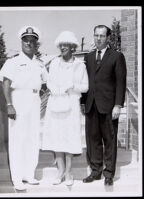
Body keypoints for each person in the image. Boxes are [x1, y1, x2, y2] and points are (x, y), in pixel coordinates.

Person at [0, 26, 47, 191]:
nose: (29, 43)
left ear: (36, 44)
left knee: (32, 139)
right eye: (26, 40)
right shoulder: (13, 61)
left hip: (34, 100)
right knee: (17, 140)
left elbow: (47, 83)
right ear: (21, 42)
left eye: (32, 41)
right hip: (18, 100)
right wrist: (9, 104)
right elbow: (6, 83)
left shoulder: (40, 64)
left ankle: (29, 174)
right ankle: (17, 178)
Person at [41, 31, 88, 186]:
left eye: (65, 44)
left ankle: (69, 172)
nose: (62, 47)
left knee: (69, 137)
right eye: (60, 45)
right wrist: (54, 88)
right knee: (56, 137)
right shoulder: (54, 62)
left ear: (72, 46)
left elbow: (85, 87)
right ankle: (60, 171)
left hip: (72, 104)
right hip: (55, 103)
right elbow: (48, 81)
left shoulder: (79, 65)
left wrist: (72, 86)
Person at [82, 25, 127, 186]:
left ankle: (109, 174)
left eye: (102, 36)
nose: (98, 38)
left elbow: (121, 83)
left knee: (109, 140)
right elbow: (84, 82)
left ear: (108, 38)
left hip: (108, 106)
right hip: (91, 105)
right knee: (92, 140)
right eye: (96, 35)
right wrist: (83, 102)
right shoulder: (88, 57)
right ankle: (95, 171)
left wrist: (118, 105)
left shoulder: (116, 56)